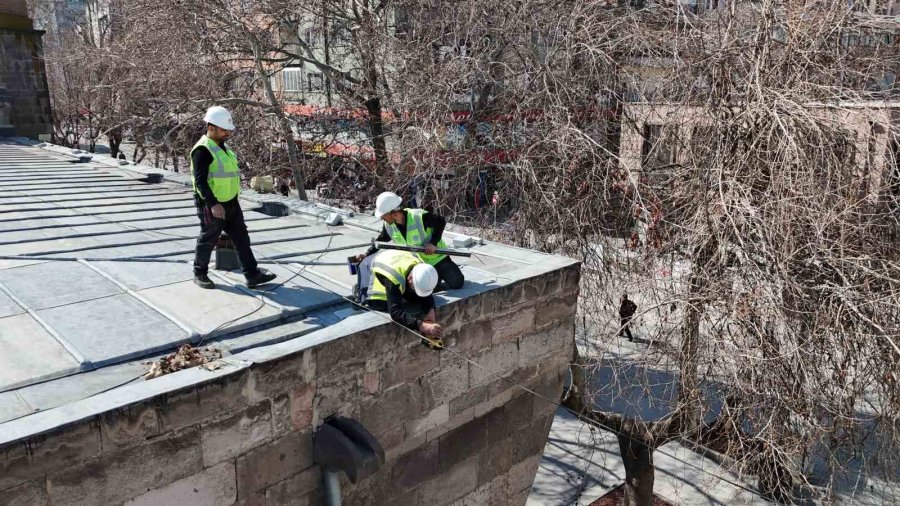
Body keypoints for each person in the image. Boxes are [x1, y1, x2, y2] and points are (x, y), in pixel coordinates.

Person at [190, 106, 276, 290]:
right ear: (210, 127)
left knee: (241, 238)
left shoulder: (223, 148)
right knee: (208, 239)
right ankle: (200, 273)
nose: (227, 133)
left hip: (231, 202)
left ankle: (252, 275)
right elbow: (200, 183)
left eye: (228, 130)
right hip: (211, 204)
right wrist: (213, 204)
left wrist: (234, 201)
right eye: (223, 130)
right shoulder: (202, 150)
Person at [354, 191, 464, 291]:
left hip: (437, 258)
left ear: (394, 213)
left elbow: (440, 221)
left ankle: (437, 277)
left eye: (384, 216)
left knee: (457, 283)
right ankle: (435, 281)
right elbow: (381, 241)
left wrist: (433, 243)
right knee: (414, 288)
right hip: (418, 264)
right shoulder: (389, 225)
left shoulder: (418, 216)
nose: (382, 218)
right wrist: (366, 254)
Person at [361, 249, 444, 348]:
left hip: (395, 258)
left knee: (415, 297)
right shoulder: (393, 277)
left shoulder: (423, 270)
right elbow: (395, 313)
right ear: (410, 278)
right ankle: (359, 289)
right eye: (415, 286)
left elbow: (426, 294)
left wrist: (430, 313)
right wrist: (422, 325)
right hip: (370, 264)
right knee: (378, 303)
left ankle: (405, 292)